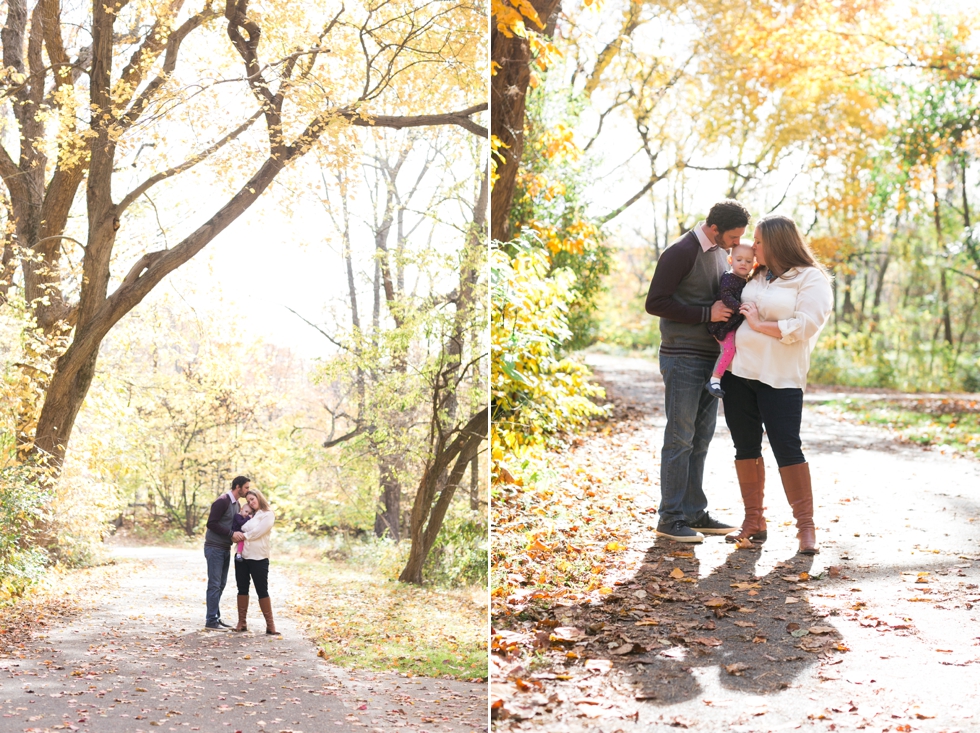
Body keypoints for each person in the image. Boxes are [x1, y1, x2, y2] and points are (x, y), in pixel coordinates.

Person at [721, 214, 833, 554]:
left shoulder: (811, 279)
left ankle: (806, 529)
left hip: (780, 378)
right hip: (739, 374)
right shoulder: (756, 274)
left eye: (757, 241)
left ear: (776, 243)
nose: (752, 247)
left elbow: (805, 325)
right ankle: (753, 521)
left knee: (787, 447)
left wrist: (756, 323)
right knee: (745, 447)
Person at [645, 199, 749, 543]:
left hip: (711, 359)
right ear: (715, 228)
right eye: (733, 237)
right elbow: (655, 302)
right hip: (682, 355)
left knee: (701, 439)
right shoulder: (681, 251)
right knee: (679, 437)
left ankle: (693, 512)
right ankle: (670, 517)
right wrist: (707, 314)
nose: (736, 245)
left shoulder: (722, 252)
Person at [705, 243, 756, 398]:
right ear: (730, 260)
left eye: (748, 261)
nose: (743, 263)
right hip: (722, 323)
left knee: (735, 348)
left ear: (753, 264)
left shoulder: (747, 280)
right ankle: (715, 379)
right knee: (729, 349)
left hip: (732, 323)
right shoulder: (729, 278)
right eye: (739, 259)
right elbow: (726, 295)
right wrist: (740, 308)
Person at [203, 475, 251, 631]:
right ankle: (210, 621)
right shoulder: (222, 501)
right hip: (214, 547)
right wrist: (231, 533)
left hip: (225, 548)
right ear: (238, 487)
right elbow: (211, 524)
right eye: (246, 488)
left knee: (221, 584)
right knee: (215, 584)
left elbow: (233, 526)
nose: (247, 491)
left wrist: (238, 535)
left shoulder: (236, 505)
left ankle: (215, 617)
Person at [232, 487, 280, 635]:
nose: (251, 503)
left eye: (252, 499)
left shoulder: (268, 514)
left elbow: (259, 531)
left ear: (259, 497)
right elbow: (241, 527)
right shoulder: (251, 515)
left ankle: (270, 625)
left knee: (262, 590)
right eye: (248, 501)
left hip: (259, 557)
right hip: (242, 556)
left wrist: (244, 536)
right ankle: (242, 622)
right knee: (242, 588)